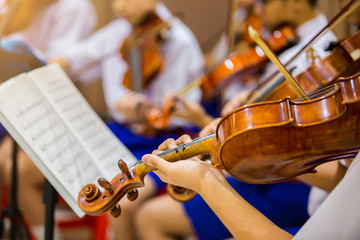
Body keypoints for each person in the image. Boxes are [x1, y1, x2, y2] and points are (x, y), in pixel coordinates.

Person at [133, 0, 340, 239]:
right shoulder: (292, 46)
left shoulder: (324, 57)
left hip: (288, 185)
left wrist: (233, 140)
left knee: (151, 217)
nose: (257, 9)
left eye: (264, 2)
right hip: (273, 174)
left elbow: (312, 153)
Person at [52, 0, 205, 239]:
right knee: (57, 165)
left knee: (122, 204)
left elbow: (178, 109)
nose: (119, 6)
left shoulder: (178, 41)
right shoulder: (121, 30)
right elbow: (74, 58)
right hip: (122, 132)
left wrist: (146, 113)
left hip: (163, 141)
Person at [0, 0, 97, 238]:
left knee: (14, 167)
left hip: (51, 109)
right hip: (15, 103)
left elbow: (58, 65)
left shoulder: (74, 6)